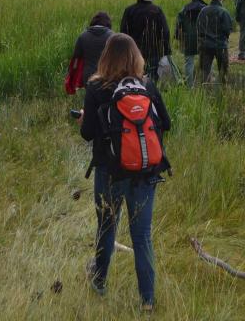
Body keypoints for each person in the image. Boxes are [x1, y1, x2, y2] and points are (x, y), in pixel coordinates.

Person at [79, 34, 170, 312]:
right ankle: (147, 301)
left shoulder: (96, 87)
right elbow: (165, 122)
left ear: (106, 56)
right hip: (145, 172)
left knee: (107, 226)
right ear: (136, 56)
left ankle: (99, 281)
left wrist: (86, 118)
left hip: (109, 171)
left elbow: (87, 134)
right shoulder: (147, 85)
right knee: (142, 236)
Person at [120, 0, 171, 80]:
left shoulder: (130, 11)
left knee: (134, 78)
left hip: (133, 52)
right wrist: (166, 50)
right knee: (151, 80)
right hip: (154, 52)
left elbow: (123, 32)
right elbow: (165, 32)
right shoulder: (157, 10)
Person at [197, 0, 233, 84]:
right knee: (223, 70)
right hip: (220, 45)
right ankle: (222, 89)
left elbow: (198, 26)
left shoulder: (203, 11)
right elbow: (228, 29)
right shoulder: (224, 12)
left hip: (205, 45)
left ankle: (205, 90)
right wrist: (224, 38)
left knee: (205, 71)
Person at [71, 12, 115, 85]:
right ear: (108, 23)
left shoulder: (83, 36)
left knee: (90, 95)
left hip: (88, 75)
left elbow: (76, 56)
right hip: (107, 75)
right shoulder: (113, 36)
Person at [175, 0, 206, 86]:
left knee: (189, 62)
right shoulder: (205, 8)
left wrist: (178, 36)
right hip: (203, 37)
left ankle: (190, 86)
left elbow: (178, 23)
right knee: (205, 60)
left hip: (188, 38)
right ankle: (205, 83)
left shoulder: (184, 9)